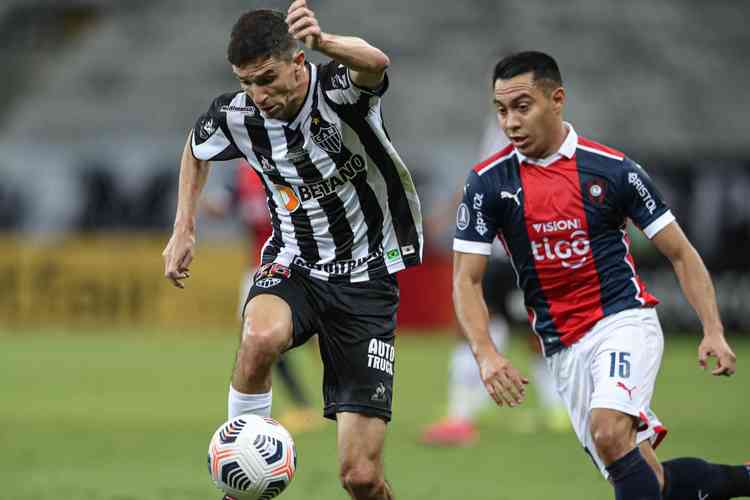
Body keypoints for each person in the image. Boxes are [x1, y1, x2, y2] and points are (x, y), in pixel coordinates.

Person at [453, 51, 749, 500]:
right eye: (501, 110)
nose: (510, 122)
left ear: (557, 100)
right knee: (648, 477)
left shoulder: (612, 170)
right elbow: (466, 280)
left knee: (609, 431)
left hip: (622, 320)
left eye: (522, 106)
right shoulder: (488, 183)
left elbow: (681, 253)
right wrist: (487, 354)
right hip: (562, 347)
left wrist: (712, 328)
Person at [162, 4, 422, 499]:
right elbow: (196, 148)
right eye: (246, 83)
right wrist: (183, 229)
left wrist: (324, 41)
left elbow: (376, 62)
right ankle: (239, 480)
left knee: (361, 479)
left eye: (267, 78)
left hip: (365, 277)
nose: (258, 96)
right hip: (294, 262)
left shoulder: (339, 92)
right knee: (260, 337)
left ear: (298, 62)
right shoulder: (238, 116)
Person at [421, 117, 567, 446]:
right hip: (489, 254)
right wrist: (446, 215)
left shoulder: (540, 136)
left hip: (522, 254)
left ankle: (558, 405)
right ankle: (463, 410)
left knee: (534, 331)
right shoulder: (496, 130)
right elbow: (478, 180)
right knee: (472, 324)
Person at [201, 162, 322, 434]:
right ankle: (304, 404)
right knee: (260, 339)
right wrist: (203, 203)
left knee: (271, 337)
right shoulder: (243, 175)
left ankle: (319, 400)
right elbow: (225, 204)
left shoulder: (290, 168)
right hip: (260, 266)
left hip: (297, 265)